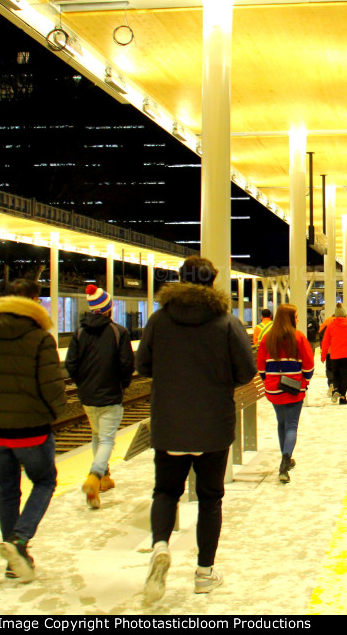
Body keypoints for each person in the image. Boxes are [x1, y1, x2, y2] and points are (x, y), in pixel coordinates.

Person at [135, 257, 257, 603]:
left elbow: (142, 365)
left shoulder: (159, 321)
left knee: (165, 491)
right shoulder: (226, 322)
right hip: (213, 426)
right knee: (210, 498)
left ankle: (160, 546)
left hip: (170, 425)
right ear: (213, 282)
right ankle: (204, 574)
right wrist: (218, 382)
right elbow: (246, 371)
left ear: (179, 281)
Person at [0, 279, 66, 583]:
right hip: (31, 431)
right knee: (44, 482)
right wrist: (56, 413)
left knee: (7, 489)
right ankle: (19, 541)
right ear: (33, 300)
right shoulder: (40, 339)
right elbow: (52, 388)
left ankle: (12, 560)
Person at [65, 284, 135, 509]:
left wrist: (82, 384)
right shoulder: (118, 332)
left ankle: (104, 478)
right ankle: (94, 477)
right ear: (108, 309)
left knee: (97, 435)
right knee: (106, 439)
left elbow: (71, 364)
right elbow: (126, 364)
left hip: (87, 396)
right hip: (110, 395)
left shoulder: (79, 333)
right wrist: (122, 385)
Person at [257, 304, 315, 482]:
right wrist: (305, 380)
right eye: (296, 316)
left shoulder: (268, 337)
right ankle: (285, 461)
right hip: (293, 389)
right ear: (289, 318)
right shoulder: (298, 337)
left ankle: (286, 458)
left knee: (281, 424)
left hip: (274, 389)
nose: (298, 319)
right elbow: (309, 364)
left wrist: (268, 381)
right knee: (291, 426)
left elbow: (260, 365)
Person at [320, 304, 347, 405]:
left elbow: (325, 341)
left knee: (336, 374)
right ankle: (343, 397)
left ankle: (336, 389)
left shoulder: (331, 326)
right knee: (345, 375)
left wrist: (323, 355)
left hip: (335, 354)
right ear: (345, 313)